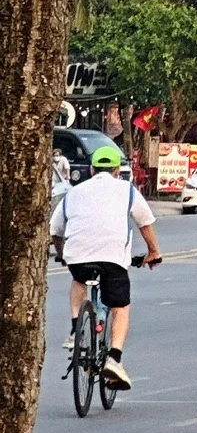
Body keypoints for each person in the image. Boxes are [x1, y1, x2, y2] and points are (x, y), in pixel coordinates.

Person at [50, 139, 161, 389]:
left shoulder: (74, 192)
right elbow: (145, 222)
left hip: (78, 258)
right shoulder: (128, 190)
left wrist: (62, 253)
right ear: (117, 171)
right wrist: (153, 252)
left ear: (91, 170)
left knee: (79, 280)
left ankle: (75, 326)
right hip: (112, 259)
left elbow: (55, 229)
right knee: (120, 306)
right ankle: (114, 358)